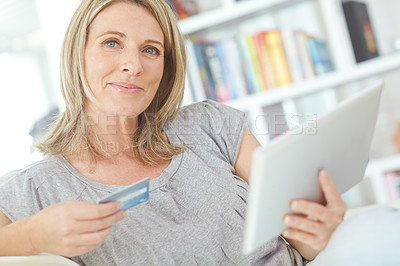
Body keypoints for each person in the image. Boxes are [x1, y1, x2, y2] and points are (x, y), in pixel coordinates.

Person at [0, 0, 347, 265]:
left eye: (151, 50)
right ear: (77, 54)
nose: (133, 66)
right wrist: (30, 237)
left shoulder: (212, 125)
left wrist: (314, 238)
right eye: (111, 43)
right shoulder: (33, 189)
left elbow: (296, 237)